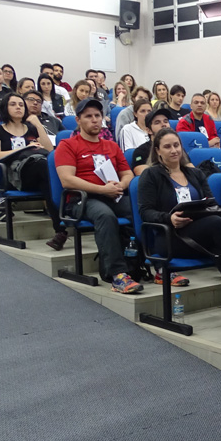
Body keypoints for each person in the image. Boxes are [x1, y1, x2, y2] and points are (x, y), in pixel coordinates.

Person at [138, 128, 221, 336]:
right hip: (170, 237)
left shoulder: (195, 173)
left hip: (201, 234)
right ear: (157, 151)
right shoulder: (151, 175)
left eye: (176, 145)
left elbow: (212, 203)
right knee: (218, 226)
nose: (174, 150)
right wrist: (169, 218)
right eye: (167, 147)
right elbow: (146, 212)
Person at [54, 98, 141, 294]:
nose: (94, 120)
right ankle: (117, 275)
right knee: (105, 215)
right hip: (81, 199)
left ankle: (156, 265)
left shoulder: (111, 146)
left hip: (112, 194)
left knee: (140, 210)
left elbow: (128, 174)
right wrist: (102, 190)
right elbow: (67, 180)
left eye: (97, 116)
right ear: (78, 120)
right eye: (88, 116)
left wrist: (121, 185)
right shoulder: (67, 145)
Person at [0, 92, 68, 249]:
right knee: (45, 169)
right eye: (13, 104)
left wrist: (37, 125)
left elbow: (50, 150)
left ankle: (61, 231)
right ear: (4, 108)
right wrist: (24, 148)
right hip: (15, 175)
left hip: (39, 169)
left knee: (48, 170)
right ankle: (66, 218)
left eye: (21, 105)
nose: (18, 107)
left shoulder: (31, 128)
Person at [131, 107, 173, 176]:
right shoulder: (141, 151)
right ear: (149, 130)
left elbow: (189, 168)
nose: (163, 125)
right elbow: (143, 174)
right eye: (157, 122)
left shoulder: (175, 147)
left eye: (166, 121)